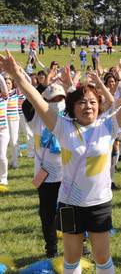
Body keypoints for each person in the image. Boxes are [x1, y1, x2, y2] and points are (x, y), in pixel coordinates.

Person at [0, 50, 121, 274]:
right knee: (71, 258)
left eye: (92, 102)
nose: (88, 106)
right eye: (82, 103)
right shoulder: (62, 126)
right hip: (69, 205)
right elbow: (37, 100)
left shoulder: (109, 126)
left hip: (99, 204)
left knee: (102, 257)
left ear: (99, 105)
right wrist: (17, 77)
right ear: (72, 107)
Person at [23, 82, 66, 258]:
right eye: (52, 99)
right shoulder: (36, 118)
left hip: (67, 174)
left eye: (60, 99)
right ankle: (51, 249)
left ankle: (81, 244)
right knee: (47, 215)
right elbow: (27, 104)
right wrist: (42, 85)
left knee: (70, 212)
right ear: (44, 100)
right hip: (45, 176)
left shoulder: (70, 117)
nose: (56, 102)